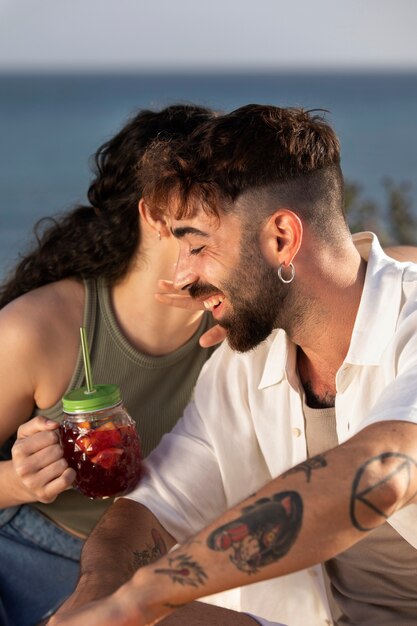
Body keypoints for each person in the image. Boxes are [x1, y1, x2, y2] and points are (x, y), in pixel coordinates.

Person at [48, 104, 417, 626]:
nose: (181, 275)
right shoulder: (244, 364)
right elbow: (152, 509)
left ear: (282, 239)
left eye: (197, 246)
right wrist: (99, 595)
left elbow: (384, 471)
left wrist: (144, 598)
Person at [0, 103, 225, 626]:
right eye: (213, 200)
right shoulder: (38, 330)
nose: (232, 218)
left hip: (167, 566)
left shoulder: (240, 321)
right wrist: (19, 480)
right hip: (31, 553)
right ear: (152, 213)